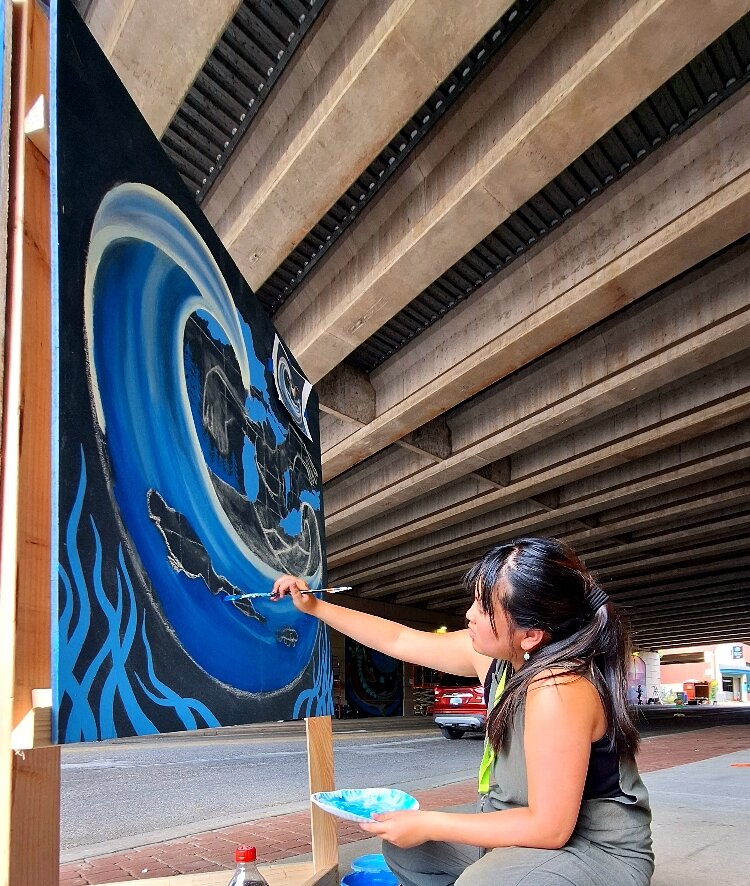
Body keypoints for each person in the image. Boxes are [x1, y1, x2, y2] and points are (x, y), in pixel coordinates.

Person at [273, 537, 654, 885]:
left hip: (594, 851)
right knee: (406, 847)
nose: (469, 614)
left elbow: (550, 828)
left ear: (531, 635)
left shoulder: (560, 689)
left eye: (484, 607)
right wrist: (315, 606)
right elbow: (401, 638)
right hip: (523, 829)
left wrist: (431, 821)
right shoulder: (501, 660)